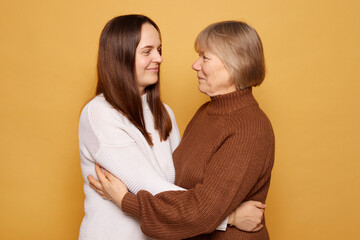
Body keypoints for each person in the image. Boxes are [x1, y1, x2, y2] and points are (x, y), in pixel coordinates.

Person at [79, 15, 266, 240]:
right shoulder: (99, 113)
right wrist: (229, 217)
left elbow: (177, 182)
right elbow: (147, 185)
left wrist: (209, 212)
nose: (158, 58)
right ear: (120, 56)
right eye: (147, 51)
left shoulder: (164, 112)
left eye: (159, 49)